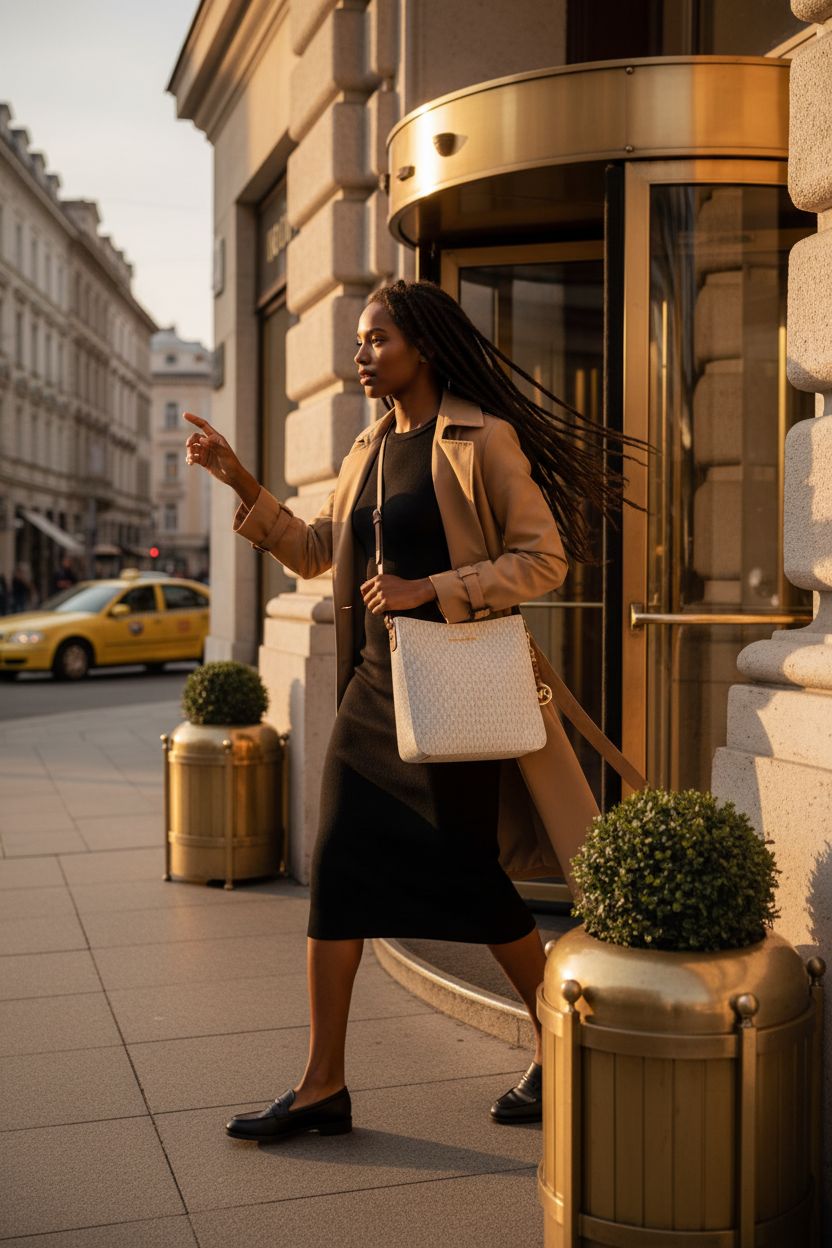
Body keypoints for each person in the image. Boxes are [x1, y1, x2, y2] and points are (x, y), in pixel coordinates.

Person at [183, 278, 653, 1145]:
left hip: (453, 692)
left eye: (378, 339)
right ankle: (323, 1085)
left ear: (424, 347)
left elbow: (542, 559)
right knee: (336, 872)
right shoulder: (366, 449)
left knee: (470, 876)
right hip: (371, 696)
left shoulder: (481, 439)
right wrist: (237, 477)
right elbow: (316, 551)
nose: (362, 354)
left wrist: (431, 587)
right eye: (360, 341)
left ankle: (560, 1043)